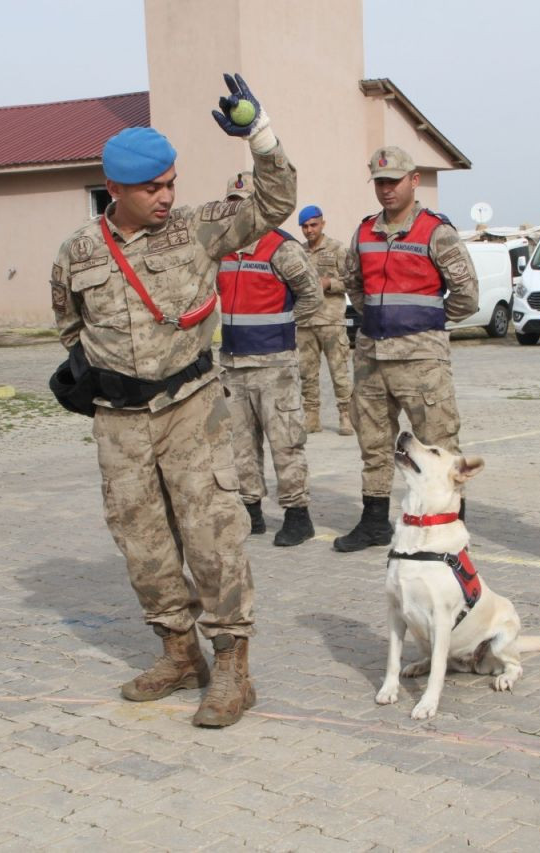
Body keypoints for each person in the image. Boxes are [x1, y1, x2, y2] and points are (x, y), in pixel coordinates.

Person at [51, 74, 295, 727]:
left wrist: (260, 133)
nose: (166, 197)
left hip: (192, 404)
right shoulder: (77, 251)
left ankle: (235, 668)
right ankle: (180, 653)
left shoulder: (196, 228)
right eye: (151, 188)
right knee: (143, 542)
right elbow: (70, 326)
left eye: (170, 183)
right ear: (116, 190)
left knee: (213, 535)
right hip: (120, 420)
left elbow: (274, 202)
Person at [333, 146, 479, 552]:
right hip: (371, 357)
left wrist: (425, 322)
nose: (386, 190)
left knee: (439, 444)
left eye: (393, 181)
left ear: (414, 180)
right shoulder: (363, 232)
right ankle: (374, 520)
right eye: (380, 182)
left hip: (421, 361)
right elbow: (354, 286)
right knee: (374, 443)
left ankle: (449, 527)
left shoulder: (436, 231)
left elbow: (466, 295)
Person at [218, 173, 322, 546]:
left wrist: (283, 327)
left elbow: (311, 297)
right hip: (232, 365)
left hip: (274, 365)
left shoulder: (282, 248)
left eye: (246, 202)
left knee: (285, 442)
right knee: (239, 444)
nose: (239, 209)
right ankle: (251, 512)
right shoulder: (221, 248)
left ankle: (298, 515)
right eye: (233, 202)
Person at [296, 204, 355, 436]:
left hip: (331, 321)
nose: (309, 230)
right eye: (305, 226)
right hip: (305, 323)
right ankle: (311, 416)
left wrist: (330, 283)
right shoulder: (298, 252)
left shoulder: (338, 249)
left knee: (339, 372)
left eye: (313, 225)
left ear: (322, 223)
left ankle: (346, 415)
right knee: (307, 373)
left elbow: (352, 281)